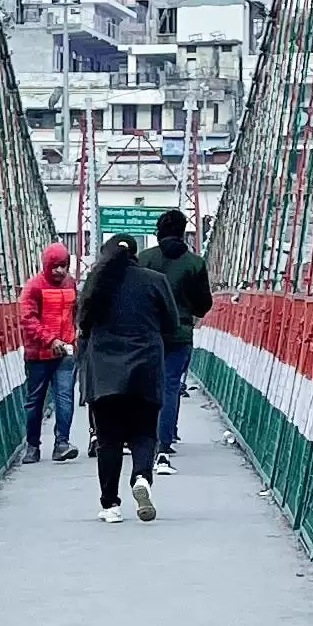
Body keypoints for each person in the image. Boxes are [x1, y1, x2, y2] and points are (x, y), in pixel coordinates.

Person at [76, 232, 175, 523]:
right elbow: (171, 324)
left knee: (109, 439)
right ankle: (142, 477)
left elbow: (83, 323)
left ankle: (110, 506)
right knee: (144, 432)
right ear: (135, 253)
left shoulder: (95, 282)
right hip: (145, 366)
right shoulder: (155, 281)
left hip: (105, 371)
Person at [148, 205, 212, 470]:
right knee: (171, 386)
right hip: (180, 334)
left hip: (146, 334)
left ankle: (144, 438)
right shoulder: (195, 263)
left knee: (145, 386)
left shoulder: (144, 260)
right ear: (184, 233)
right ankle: (165, 441)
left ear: (158, 232)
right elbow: (203, 305)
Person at [17, 238, 78, 464]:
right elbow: (27, 319)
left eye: (63, 265)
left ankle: (62, 443)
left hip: (64, 353)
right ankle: (32, 446)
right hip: (39, 355)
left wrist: (75, 333)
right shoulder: (33, 287)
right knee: (35, 402)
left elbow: (76, 310)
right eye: (55, 266)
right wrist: (50, 340)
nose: (60, 270)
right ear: (46, 265)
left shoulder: (70, 284)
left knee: (65, 397)